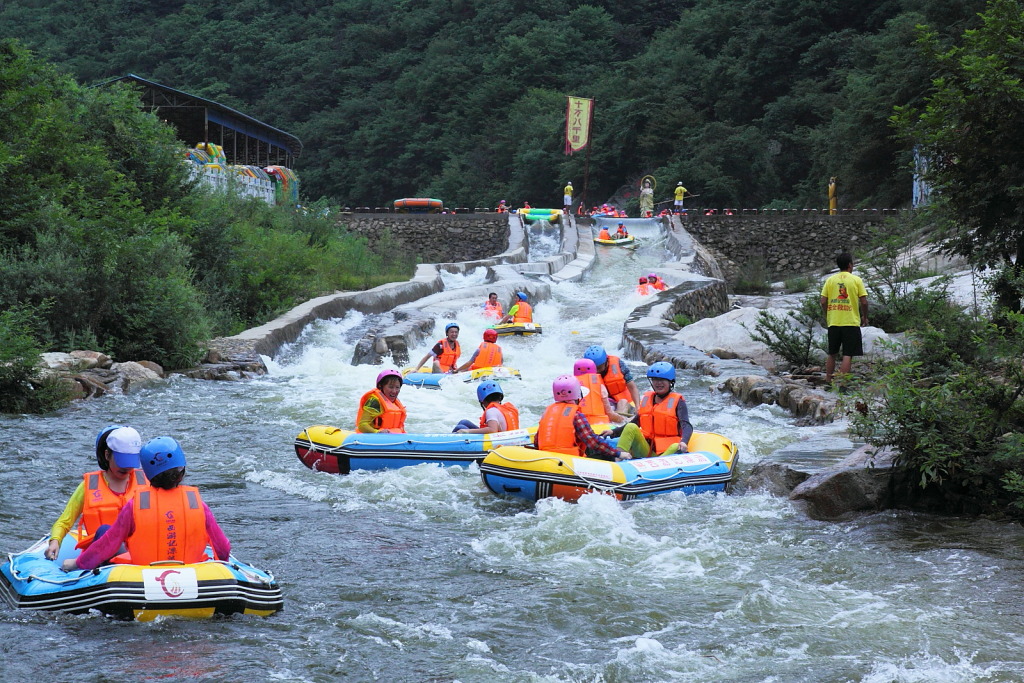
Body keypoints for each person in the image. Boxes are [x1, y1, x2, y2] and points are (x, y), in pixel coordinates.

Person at [62, 437, 231, 572]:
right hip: (190, 571)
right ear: (182, 473)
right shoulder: (198, 505)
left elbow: (109, 543)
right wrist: (222, 568)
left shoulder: (135, 506)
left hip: (142, 573)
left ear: (148, 476)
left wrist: (78, 564)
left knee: (104, 532)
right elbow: (222, 546)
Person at [45, 425, 147, 560]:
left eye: (130, 462)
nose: (126, 467)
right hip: (101, 558)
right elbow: (65, 521)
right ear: (107, 455)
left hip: (139, 554)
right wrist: (55, 541)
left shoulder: (146, 483)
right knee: (105, 531)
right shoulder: (89, 485)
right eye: (121, 461)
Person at [603, 362, 693, 458]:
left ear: (671, 382)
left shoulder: (678, 402)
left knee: (676, 446)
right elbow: (636, 421)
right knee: (631, 427)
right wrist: (614, 432)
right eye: (655, 379)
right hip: (646, 450)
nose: (658, 383)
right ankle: (619, 459)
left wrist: (684, 442)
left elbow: (686, 425)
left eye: (662, 379)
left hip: (665, 453)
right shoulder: (647, 399)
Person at [535, 376, 633, 462]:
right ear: (577, 393)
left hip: (545, 459)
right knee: (603, 454)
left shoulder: (547, 412)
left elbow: (537, 441)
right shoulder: (576, 415)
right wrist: (618, 454)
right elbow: (593, 442)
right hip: (568, 461)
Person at [820, 252, 869, 383]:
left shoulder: (830, 280)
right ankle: (842, 383)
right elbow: (864, 302)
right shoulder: (856, 280)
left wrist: (828, 315)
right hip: (850, 322)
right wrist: (864, 317)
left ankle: (828, 381)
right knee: (848, 354)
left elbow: (823, 301)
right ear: (849, 265)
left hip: (834, 321)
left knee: (832, 353)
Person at [583, 344, 641, 413]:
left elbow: (632, 387)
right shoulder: (583, 370)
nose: (596, 371)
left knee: (622, 402)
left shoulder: (619, 364)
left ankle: (620, 418)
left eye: (599, 368)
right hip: (602, 404)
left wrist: (637, 406)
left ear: (606, 362)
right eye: (593, 368)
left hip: (623, 402)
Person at [453, 381, 521, 434]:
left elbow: (492, 430)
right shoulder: (508, 408)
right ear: (500, 397)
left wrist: (468, 431)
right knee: (464, 422)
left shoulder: (491, 411)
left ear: (483, 401)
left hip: (498, 442)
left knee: (460, 427)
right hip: (509, 437)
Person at [573, 358, 626, 425]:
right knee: (623, 401)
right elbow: (609, 414)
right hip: (599, 423)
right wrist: (623, 420)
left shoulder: (570, 386)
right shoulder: (600, 386)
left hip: (578, 425)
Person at [356, 369, 408, 433]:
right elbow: (362, 425)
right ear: (380, 386)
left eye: (397, 387)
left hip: (393, 436)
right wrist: (377, 432)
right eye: (391, 387)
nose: (394, 391)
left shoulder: (396, 403)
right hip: (373, 438)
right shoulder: (374, 401)